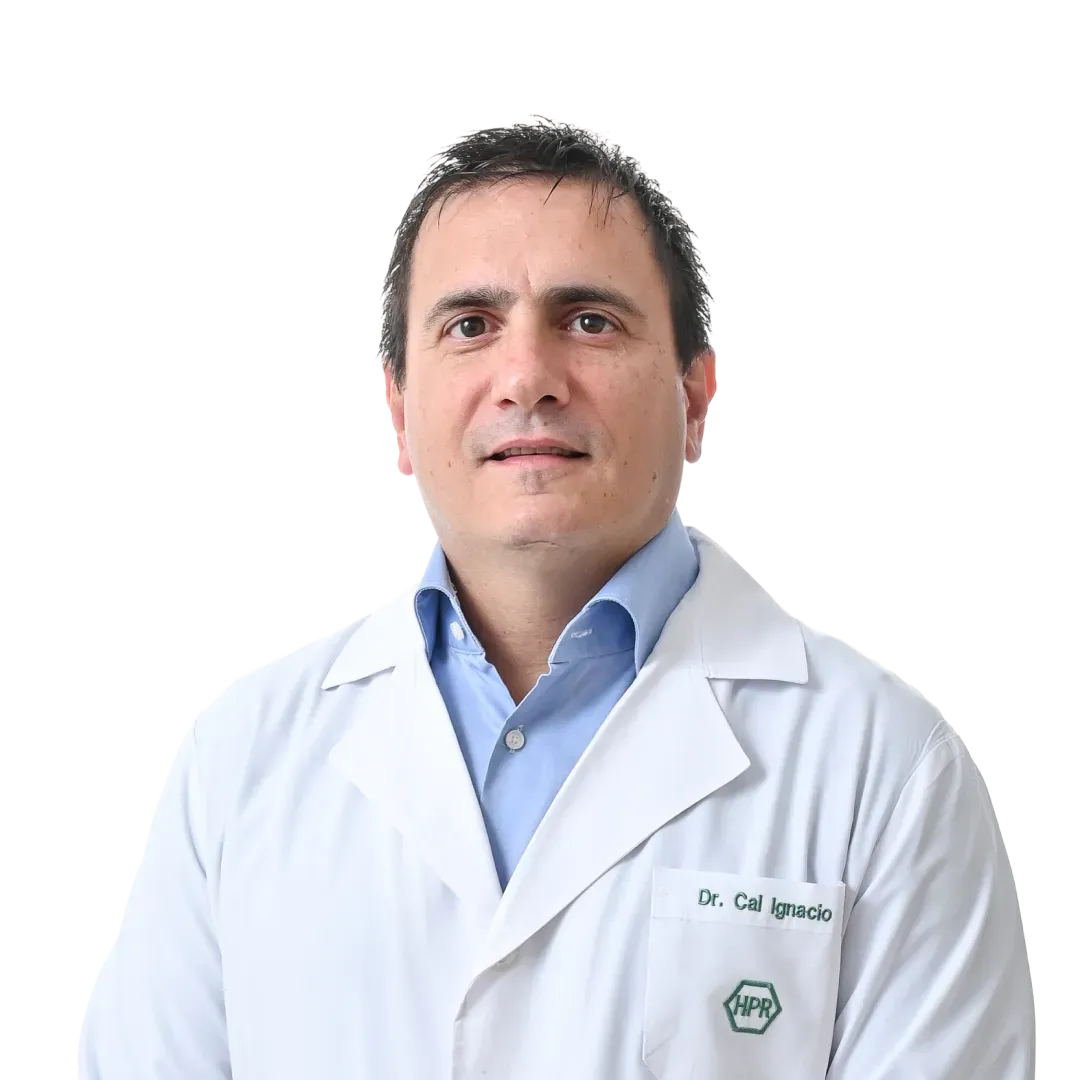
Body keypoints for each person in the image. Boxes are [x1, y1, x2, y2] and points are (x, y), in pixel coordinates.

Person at [75, 117, 1035, 1078]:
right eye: (470, 325)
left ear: (696, 396)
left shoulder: (886, 765)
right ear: (398, 407)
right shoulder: (240, 755)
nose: (528, 378)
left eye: (589, 321)